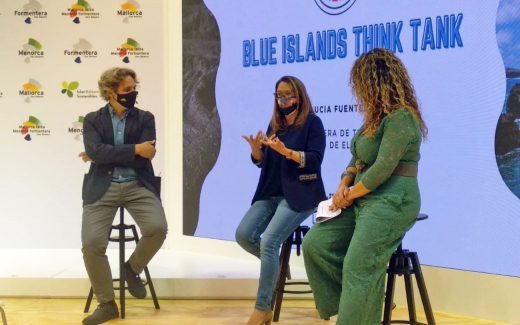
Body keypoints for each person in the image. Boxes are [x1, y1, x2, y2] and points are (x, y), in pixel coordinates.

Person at [303, 48, 428, 325]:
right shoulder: (373, 120)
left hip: (392, 201)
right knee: (315, 244)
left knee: (357, 267)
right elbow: (358, 157)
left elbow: (381, 169)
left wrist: (348, 196)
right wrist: (343, 184)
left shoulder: (402, 119)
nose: (357, 91)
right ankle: (363, 304)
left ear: (376, 83)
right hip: (363, 198)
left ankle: (358, 310)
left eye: (360, 84)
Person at [79, 67, 168, 325]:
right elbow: (95, 151)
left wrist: (105, 152)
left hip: (138, 184)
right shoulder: (93, 120)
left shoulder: (145, 118)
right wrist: (132, 150)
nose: (133, 93)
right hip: (101, 188)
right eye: (127, 90)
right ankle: (107, 304)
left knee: (157, 228)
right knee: (92, 244)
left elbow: (147, 155)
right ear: (110, 93)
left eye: (134, 88)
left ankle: (131, 269)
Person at [236, 76, 326, 325]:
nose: (283, 99)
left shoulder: (312, 124)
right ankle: (275, 265)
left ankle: (262, 308)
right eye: (279, 95)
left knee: (269, 241)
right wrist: (256, 152)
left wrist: (287, 152)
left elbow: (315, 160)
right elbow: (266, 162)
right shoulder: (275, 124)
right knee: (243, 235)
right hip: (271, 193)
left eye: (288, 94)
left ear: (300, 95)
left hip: (301, 194)